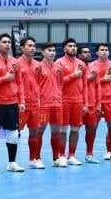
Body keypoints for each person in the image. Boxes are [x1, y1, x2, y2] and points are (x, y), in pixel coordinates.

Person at [0, 33, 26, 172]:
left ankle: (12, 163)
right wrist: (5, 78)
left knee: (13, 133)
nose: (7, 44)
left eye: (9, 42)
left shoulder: (15, 62)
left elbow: (19, 83)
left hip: (13, 103)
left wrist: (21, 101)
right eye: (4, 42)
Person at [57, 38, 88, 166]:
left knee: (75, 129)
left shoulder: (82, 63)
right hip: (64, 100)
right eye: (70, 46)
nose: (73, 48)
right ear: (64, 49)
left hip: (78, 101)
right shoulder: (59, 62)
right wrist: (73, 76)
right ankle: (62, 155)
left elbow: (85, 84)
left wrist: (85, 103)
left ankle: (72, 155)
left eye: (74, 46)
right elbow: (58, 83)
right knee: (63, 130)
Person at [89, 43, 111, 162]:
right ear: (97, 52)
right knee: (92, 128)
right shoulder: (91, 65)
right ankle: (90, 153)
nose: (104, 52)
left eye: (106, 50)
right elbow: (89, 82)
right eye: (102, 50)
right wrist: (103, 80)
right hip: (97, 100)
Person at [37, 43, 64, 167]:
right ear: (43, 52)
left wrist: (58, 97)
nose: (52, 53)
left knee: (56, 132)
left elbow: (60, 84)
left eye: (53, 50)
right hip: (43, 104)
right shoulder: (38, 67)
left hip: (57, 104)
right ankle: (36, 158)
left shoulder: (58, 67)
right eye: (49, 50)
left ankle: (56, 158)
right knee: (39, 131)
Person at [17, 37, 42, 169]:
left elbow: (39, 85)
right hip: (21, 104)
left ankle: (33, 159)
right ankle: (13, 161)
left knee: (34, 132)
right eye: (29, 45)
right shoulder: (16, 64)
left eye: (34, 46)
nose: (32, 48)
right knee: (16, 133)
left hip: (35, 104)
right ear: (22, 48)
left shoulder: (38, 65)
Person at [78, 46, 101, 164]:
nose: (87, 54)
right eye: (84, 52)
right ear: (79, 55)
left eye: (88, 52)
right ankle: (69, 155)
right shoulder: (75, 67)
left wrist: (98, 104)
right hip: (77, 104)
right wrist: (87, 78)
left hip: (92, 104)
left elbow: (98, 87)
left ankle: (89, 154)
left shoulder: (94, 68)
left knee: (91, 129)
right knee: (73, 130)